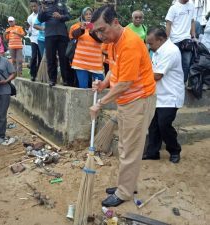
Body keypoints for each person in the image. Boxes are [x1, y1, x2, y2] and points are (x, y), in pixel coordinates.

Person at [90, 5, 156, 207]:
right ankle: (126, 184)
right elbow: (113, 67)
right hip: (127, 101)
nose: (101, 35)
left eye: (103, 29)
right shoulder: (112, 41)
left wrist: (100, 102)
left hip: (139, 100)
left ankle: (125, 192)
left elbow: (125, 83)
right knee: (125, 146)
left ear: (115, 22)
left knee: (130, 149)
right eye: (97, 31)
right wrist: (103, 83)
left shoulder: (130, 44)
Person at [144, 28, 184, 163]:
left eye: (151, 43)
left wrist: (136, 75)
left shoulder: (170, 51)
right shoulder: (158, 51)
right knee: (153, 125)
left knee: (164, 124)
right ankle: (152, 152)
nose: (150, 47)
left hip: (170, 96)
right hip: (158, 94)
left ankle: (174, 150)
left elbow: (157, 75)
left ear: (160, 40)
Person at [38, 0, 70, 87]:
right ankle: (52, 79)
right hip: (50, 35)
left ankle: (66, 80)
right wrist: (42, 11)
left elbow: (68, 16)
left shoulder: (61, 4)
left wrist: (60, 16)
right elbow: (40, 19)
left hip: (62, 34)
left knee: (63, 58)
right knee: (51, 58)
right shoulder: (43, 5)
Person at [69, 7, 104, 88]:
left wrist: (92, 30)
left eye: (90, 14)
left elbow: (101, 39)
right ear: (83, 16)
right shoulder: (78, 25)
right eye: (86, 14)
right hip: (81, 61)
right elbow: (73, 36)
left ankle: (98, 101)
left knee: (100, 86)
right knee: (83, 87)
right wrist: (81, 29)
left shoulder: (98, 26)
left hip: (95, 61)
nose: (88, 16)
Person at [166, 0, 195, 83]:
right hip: (174, 40)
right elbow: (168, 23)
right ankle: (171, 82)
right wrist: (167, 38)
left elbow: (192, 21)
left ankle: (182, 83)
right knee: (173, 63)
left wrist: (193, 35)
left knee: (186, 63)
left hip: (187, 38)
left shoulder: (191, 5)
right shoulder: (173, 7)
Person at [28, 0, 41, 81]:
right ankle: (33, 74)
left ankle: (39, 74)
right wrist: (28, 30)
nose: (33, 8)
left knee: (40, 57)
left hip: (42, 39)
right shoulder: (30, 17)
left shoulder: (42, 14)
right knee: (33, 57)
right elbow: (30, 28)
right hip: (33, 39)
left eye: (35, 6)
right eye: (32, 6)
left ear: (38, 5)